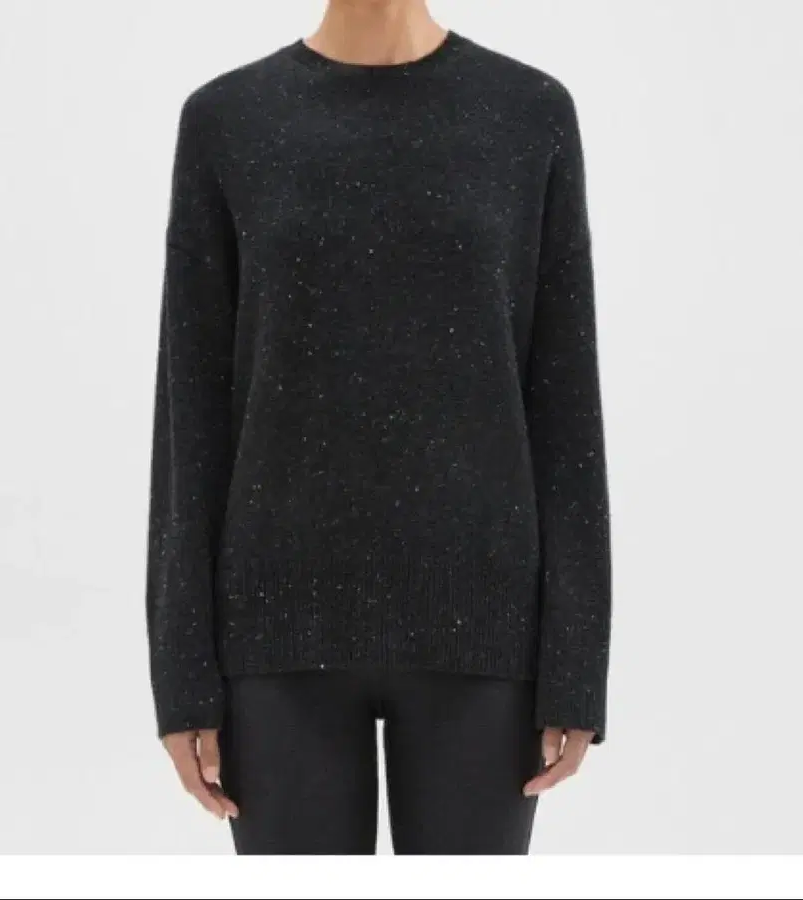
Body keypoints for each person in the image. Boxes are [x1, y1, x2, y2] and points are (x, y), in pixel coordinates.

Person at [145, 0, 611, 855]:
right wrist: (181, 671)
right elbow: (190, 410)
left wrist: (576, 661)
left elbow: (565, 401)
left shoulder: (529, 113)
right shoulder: (226, 121)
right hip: (275, 629)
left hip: (485, 626)